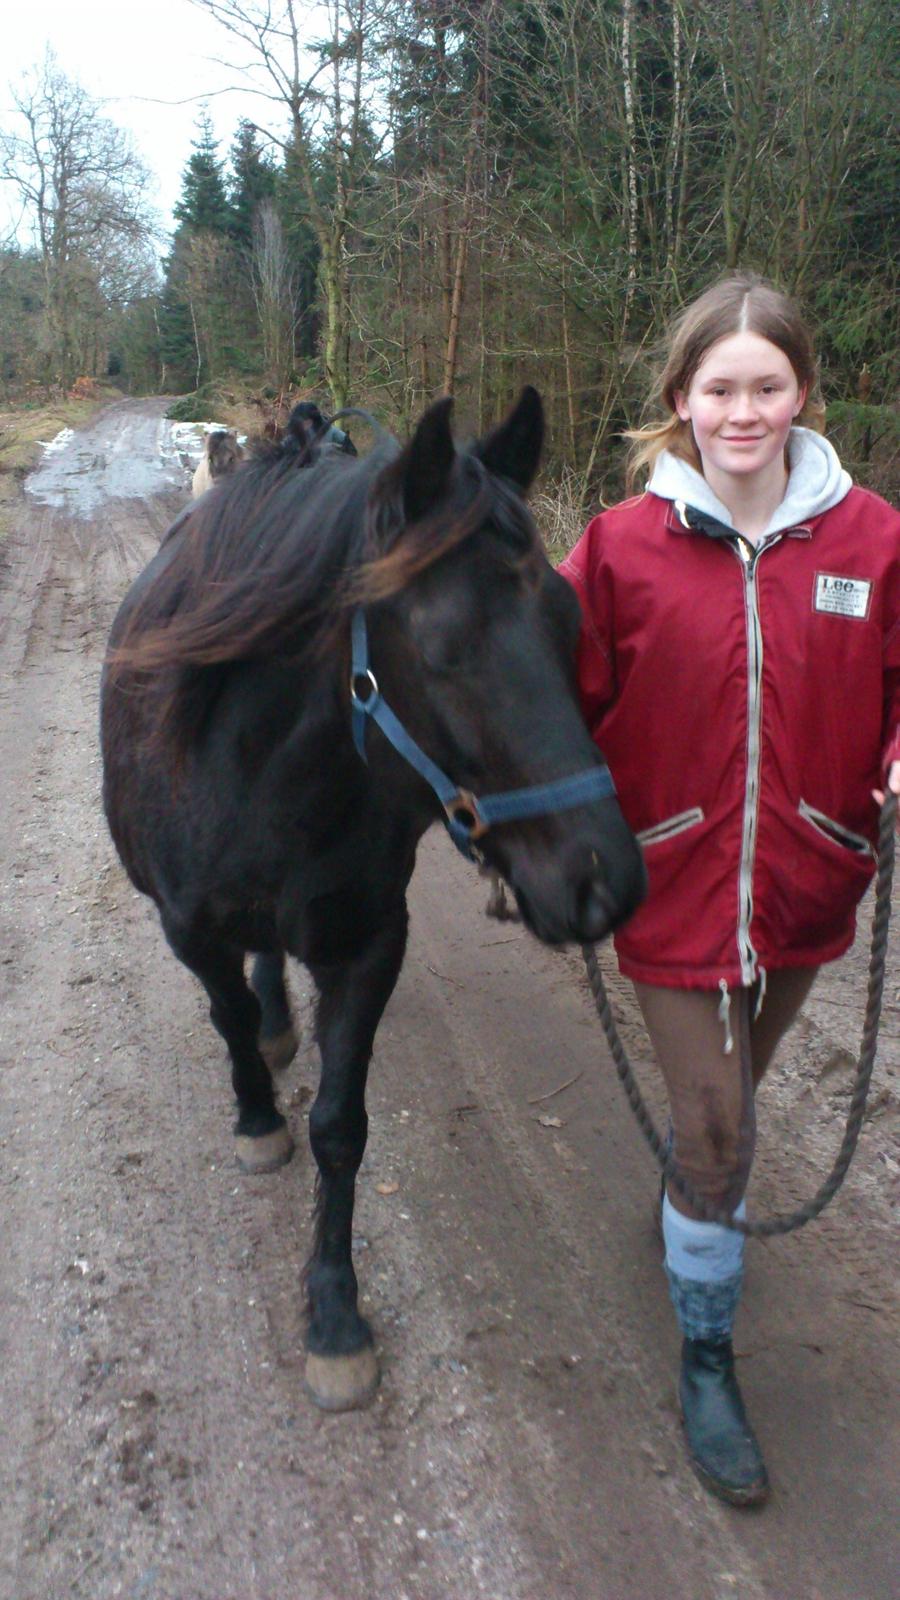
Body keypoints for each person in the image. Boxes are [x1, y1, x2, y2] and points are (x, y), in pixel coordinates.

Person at [559, 272, 900, 1506]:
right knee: (720, 1125)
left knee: (734, 1095)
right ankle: (708, 1358)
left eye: (767, 384)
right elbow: (552, 706)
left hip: (815, 875)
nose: (744, 408)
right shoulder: (613, 548)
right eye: (720, 387)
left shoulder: (875, 538)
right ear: (680, 400)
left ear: (803, 391)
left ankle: (690, 1215)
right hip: (668, 876)